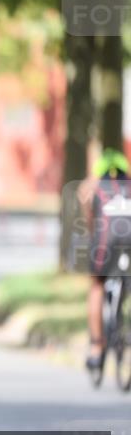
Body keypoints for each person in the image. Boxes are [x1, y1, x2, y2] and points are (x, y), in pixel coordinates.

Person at [82, 148, 131, 372]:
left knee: (96, 285)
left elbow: (85, 203)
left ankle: (96, 347)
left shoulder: (93, 185)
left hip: (106, 242)